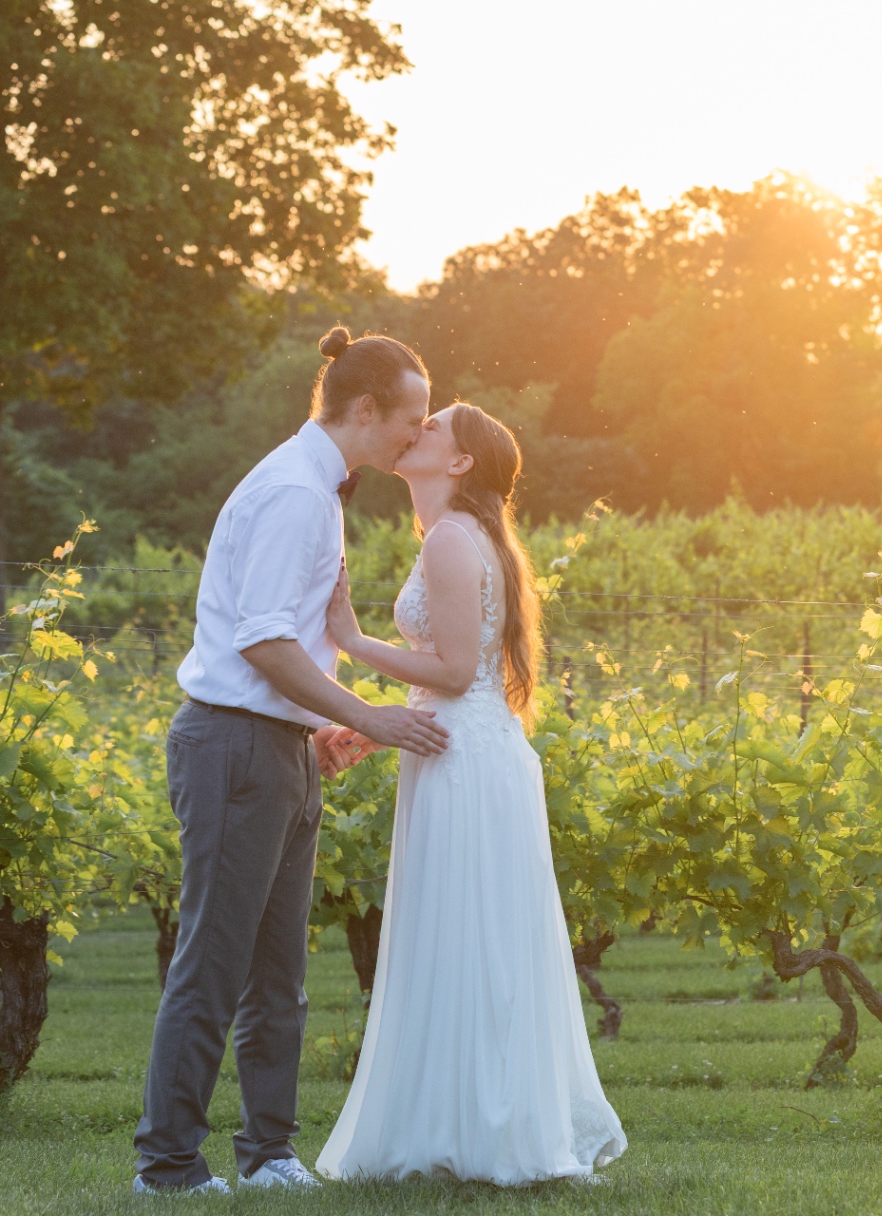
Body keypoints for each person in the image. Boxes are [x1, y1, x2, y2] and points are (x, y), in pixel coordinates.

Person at [133, 327, 451, 1195]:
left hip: (276, 745)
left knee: (279, 973)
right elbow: (263, 639)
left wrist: (314, 730)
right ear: (364, 409)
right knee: (215, 960)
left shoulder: (320, 488)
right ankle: (166, 1167)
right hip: (233, 748)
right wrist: (364, 715)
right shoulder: (293, 494)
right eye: (412, 418)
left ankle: (270, 1156)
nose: (418, 435)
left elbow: (282, 644)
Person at [313, 401, 626, 1184]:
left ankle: (478, 1132)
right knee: (468, 937)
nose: (416, 428)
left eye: (436, 426)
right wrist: (375, 725)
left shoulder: (454, 538)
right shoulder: (459, 536)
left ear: (459, 464)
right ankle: (479, 1126)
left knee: (465, 935)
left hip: (467, 761)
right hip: (465, 747)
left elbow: (454, 672)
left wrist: (353, 643)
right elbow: (462, 680)